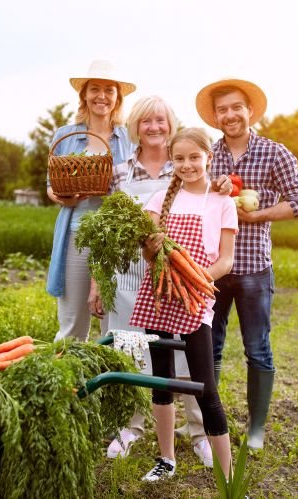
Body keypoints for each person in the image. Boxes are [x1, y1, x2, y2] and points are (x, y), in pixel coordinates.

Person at [92, 96, 234, 466]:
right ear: (135, 127)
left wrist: (194, 275)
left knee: (196, 370)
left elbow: (221, 250)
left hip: (189, 287)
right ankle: (140, 434)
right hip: (140, 283)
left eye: (161, 121)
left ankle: (201, 434)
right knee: (142, 361)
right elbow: (118, 234)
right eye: (146, 121)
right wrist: (143, 254)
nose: (154, 127)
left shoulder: (194, 173)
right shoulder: (124, 173)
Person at [195, 78, 298, 449]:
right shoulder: (207, 154)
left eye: (236, 107)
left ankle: (256, 429)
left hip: (253, 268)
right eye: (222, 110)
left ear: (249, 111)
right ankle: (208, 422)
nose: (229, 115)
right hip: (213, 267)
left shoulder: (275, 153)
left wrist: (257, 215)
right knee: (208, 346)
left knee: (257, 348)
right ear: (215, 117)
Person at [129, 127, 238, 481]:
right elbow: (148, 254)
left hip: (196, 296)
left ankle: (227, 474)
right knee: (161, 381)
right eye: (179, 158)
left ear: (208, 156)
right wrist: (151, 244)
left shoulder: (222, 203)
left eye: (194, 157)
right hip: (159, 295)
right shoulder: (160, 199)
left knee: (206, 388)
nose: (187, 164)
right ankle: (166, 459)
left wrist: (197, 279)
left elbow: (225, 261)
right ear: (171, 161)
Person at [46, 60, 136, 342]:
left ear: (117, 98)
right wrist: (66, 199)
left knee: (112, 319)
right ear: (84, 95)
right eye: (94, 89)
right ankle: (71, 383)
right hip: (77, 234)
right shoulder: (65, 135)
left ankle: (109, 382)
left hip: (115, 240)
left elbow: (136, 187)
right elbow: (51, 187)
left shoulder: (129, 139)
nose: (102, 96)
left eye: (109, 90)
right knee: (73, 320)